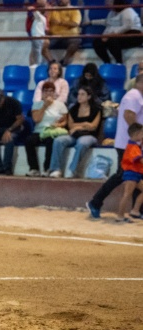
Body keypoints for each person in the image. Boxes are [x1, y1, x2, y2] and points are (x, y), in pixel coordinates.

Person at [86, 75, 143, 218]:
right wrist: (139, 136)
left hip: (132, 143)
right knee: (121, 175)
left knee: (137, 174)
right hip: (128, 144)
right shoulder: (133, 96)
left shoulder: (137, 96)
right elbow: (128, 115)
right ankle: (95, 202)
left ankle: (137, 210)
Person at [49, 85, 102, 178]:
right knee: (58, 140)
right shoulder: (73, 109)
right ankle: (56, 169)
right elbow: (70, 125)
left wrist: (78, 127)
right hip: (74, 135)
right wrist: (85, 125)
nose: (79, 97)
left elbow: (93, 126)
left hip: (89, 135)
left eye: (82, 94)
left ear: (89, 97)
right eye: (78, 94)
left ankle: (72, 170)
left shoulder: (96, 109)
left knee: (82, 143)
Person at [27, 81, 68, 176]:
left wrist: (58, 125)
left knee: (51, 141)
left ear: (54, 93)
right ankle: (34, 168)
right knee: (29, 141)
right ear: (42, 93)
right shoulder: (37, 104)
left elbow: (65, 121)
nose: (48, 93)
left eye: (50, 91)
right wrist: (45, 106)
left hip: (52, 131)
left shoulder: (60, 105)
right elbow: (36, 119)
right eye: (46, 91)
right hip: (39, 131)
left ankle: (47, 168)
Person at [88, 0, 143, 64]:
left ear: (117, 2)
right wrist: (91, 22)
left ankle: (119, 62)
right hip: (116, 36)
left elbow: (127, 26)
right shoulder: (112, 12)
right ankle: (107, 62)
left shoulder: (128, 11)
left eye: (111, 2)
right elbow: (107, 22)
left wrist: (110, 35)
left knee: (112, 41)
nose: (108, 3)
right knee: (97, 42)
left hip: (132, 34)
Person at [0, 89, 26, 175]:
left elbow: (20, 119)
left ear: (4, 98)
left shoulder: (13, 102)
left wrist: (9, 130)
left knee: (9, 139)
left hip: (13, 126)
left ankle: (7, 167)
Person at [115, 123, 143, 222]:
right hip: (131, 174)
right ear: (137, 134)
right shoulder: (133, 147)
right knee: (127, 194)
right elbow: (140, 160)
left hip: (136, 174)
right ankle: (120, 216)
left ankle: (135, 210)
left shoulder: (134, 146)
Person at [45, 0, 82, 65]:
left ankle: (65, 61)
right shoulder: (53, 10)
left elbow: (75, 23)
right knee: (41, 43)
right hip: (54, 36)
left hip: (69, 36)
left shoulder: (74, 10)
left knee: (77, 41)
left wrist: (60, 23)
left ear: (69, 0)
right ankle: (51, 62)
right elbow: (46, 23)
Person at [28, 0, 50, 66]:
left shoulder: (45, 12)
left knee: (41, 48)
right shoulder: (33, 9)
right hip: (35, 33)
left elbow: (45, 24)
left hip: (42, 33)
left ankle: (44, 64)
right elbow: (32, 15)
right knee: (36, 50)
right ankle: (36, 65)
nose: (46, 0)